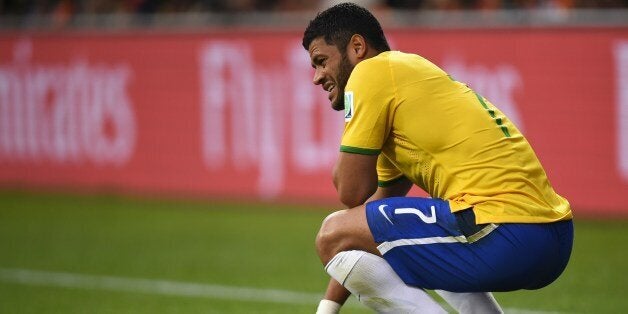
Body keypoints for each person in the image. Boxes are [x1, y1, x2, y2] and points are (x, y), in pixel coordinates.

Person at [302, 2, 574, 313]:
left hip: (504, 228)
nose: (317, 77)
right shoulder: (406, 80)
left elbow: (348, 191)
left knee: (329, 232)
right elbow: (360, 227)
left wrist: (354, 124)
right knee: (413, 245)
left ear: (357, 47)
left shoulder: (371, 72)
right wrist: (328, 307)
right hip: (550, 236)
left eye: (321, 62)